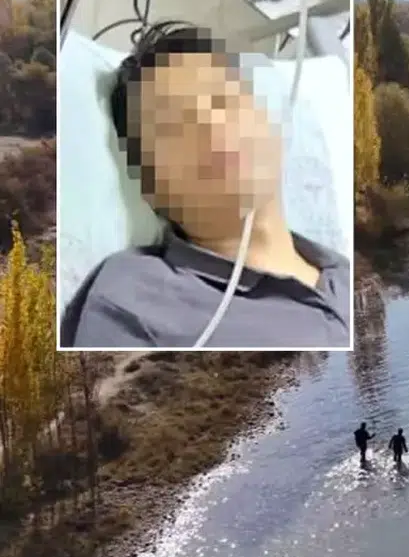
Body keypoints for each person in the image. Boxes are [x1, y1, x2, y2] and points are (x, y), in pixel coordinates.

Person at [59, 25, 352, 349]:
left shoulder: (352, 275)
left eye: (224, 99)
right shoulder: (133, 299)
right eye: (172, 125)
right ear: (150, 188)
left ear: (270, 128)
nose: (210, 124)